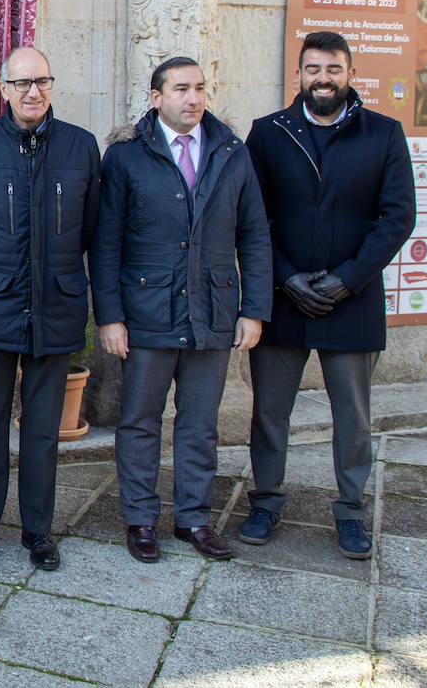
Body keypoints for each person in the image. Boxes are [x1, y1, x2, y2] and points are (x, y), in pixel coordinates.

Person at [240, 31, 415, 559]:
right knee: (270, 413)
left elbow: (397, 217)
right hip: (284, 297)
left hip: (352, 300)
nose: (323, 79)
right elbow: (252, 217)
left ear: (350, 74)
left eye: (333, 69)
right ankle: (266, 501)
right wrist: (287, 277)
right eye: (313, 69)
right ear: (299, 75)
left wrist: (347, 279)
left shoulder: (383, 133)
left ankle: (351, 510)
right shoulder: (268, 134)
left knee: (354, 416)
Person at [91, 56, 271, 564]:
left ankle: (194, 518)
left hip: (214, 310)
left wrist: (253, 310)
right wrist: (110, 316)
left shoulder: (232, 153)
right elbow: (106, 243)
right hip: (146, 312)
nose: (192, 98)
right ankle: (141, 518)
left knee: (200, 423)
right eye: (180, 89)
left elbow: (255, 235)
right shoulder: (125, 157)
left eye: (199, 88)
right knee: (140, 420)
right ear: (156, 97)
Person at [0, 47, 101, 571]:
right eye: (22, 83)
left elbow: (91, 229)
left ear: (52, 86)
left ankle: (38, 531)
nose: (34, 92)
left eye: (42, 81)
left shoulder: (80, 147)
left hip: (56, 305)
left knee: (42, 427)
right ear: (3, 89)